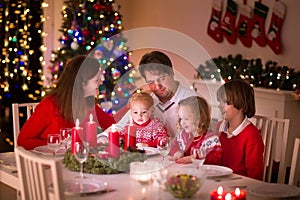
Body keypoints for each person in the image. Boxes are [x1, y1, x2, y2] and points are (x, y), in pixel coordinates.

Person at [17, 55, 116, 150]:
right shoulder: (50, 104)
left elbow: (114, 125)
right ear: (81, 82)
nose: (101, 82)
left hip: (76, 163)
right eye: (97, 80)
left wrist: (130, 108)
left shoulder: (88, 104)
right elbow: (23, 141)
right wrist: (58, 145)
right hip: (50, 164)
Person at [116, 51, 196, 139]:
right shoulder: (146, 101)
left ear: (171, 73)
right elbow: (119, 127)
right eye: (151, 82)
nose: (158, 86)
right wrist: (103, 137)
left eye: (162, 79)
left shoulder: (193, 100)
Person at [216, 79, 264, 180]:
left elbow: (255, 177)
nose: (219, 106)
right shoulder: (218, 128)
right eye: (220, 101)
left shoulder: (252, 136)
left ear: (241, 104)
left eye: (225, 102)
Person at [169, 96, 222, 165]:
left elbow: (215, 158)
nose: (182, 122)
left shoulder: (211, 138)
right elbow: (175, 147)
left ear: (200, 119)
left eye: (186, 118)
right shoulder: (183, 135)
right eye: (181, 118)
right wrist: (177, 153)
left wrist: (193, 158)